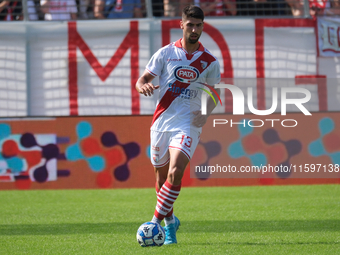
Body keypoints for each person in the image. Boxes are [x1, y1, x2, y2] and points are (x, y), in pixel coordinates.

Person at [135, 5, 221, 245]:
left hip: (188, 124)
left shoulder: (209, 61)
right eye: (190, 25)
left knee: (176, 171)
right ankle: (171, 223)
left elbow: (215, 94)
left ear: (203, 27)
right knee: (161, 180)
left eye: (199, 25)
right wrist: (142, 86)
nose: (194, 30)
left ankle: (153, 223)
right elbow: (142, 80)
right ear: (181, 25)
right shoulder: (164, 54)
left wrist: (205, 112)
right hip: (161, 122)